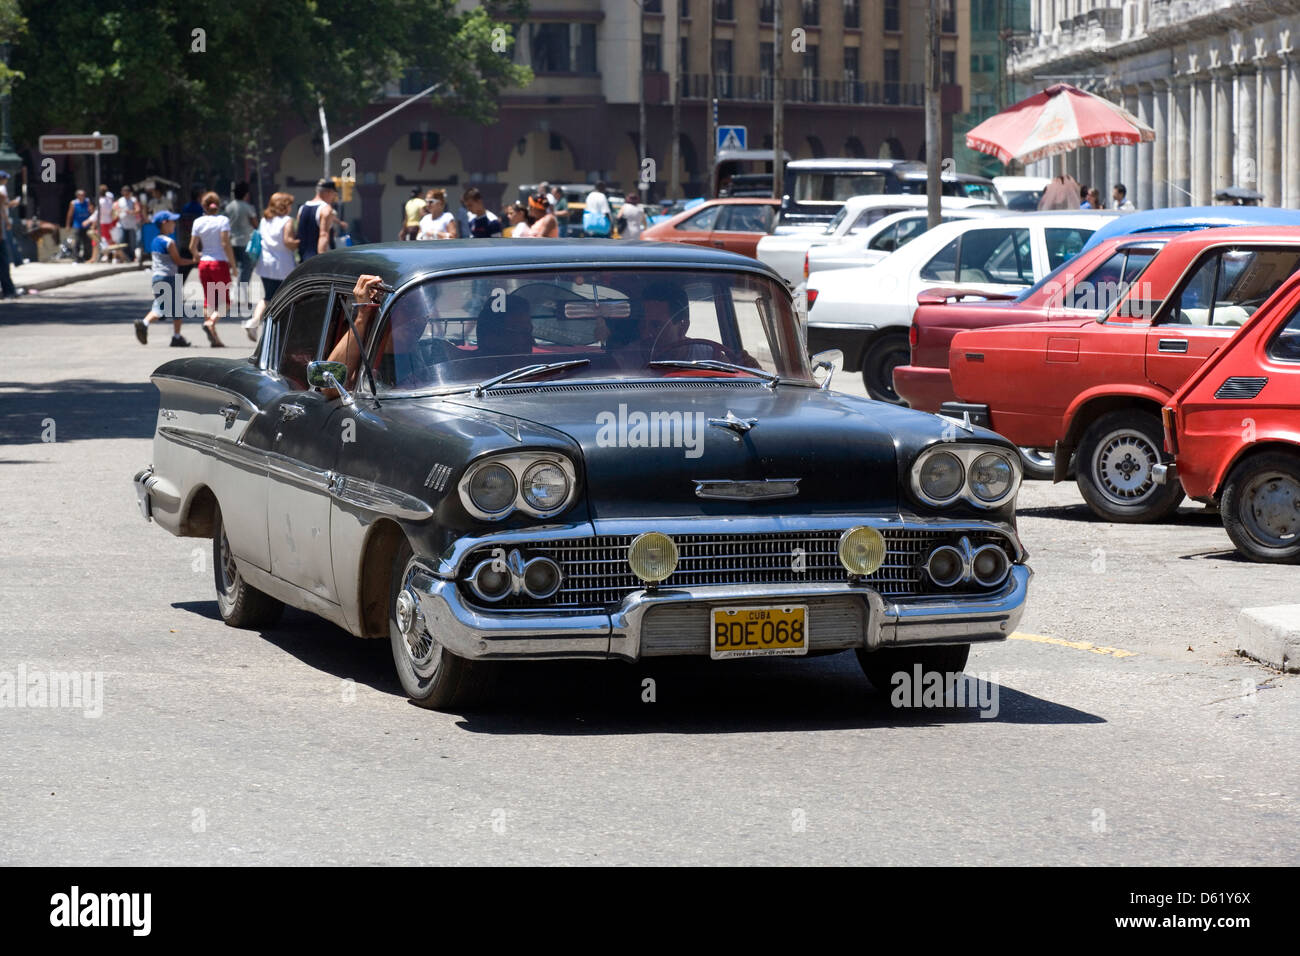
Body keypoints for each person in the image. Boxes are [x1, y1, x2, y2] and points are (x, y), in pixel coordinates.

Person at [244, 191, 301, 340]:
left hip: (265, 263)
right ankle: (276, 328)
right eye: (289, 204)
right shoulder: (287, 221)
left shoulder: (265, 220)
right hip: (282, 265)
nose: (291, 208)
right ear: (284, 206)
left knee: (268, 296)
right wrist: (299, 243)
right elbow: (288, 242)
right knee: (283, 297)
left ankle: (255, 320)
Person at [133, 211, 194, 347]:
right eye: (172, 221)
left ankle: (176, 337)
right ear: (164, 223)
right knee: (169, 308)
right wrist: (194, 261)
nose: (174, 224)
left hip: (157, 277)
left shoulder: (155, 240)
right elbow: (177, 261)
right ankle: (145, 323)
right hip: (169, 278)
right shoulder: (169, 242)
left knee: (168, 306)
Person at [189, 191, 235, 347]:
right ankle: (211, 323)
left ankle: (214, 338)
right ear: (218, 205)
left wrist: (197, 256)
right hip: (219, 264)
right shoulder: (223, 220)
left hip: (204, 264)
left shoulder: (198, 222)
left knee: (209, 301)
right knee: (226, 303)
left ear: (204, 206)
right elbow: (225, 244)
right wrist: (233, 265)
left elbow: (192, 247)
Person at [224, 182, 258, 291]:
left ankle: (229, 289)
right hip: (245, 242)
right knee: (246, 267)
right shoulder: (248, 207)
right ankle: (241, 290)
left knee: (234, 267)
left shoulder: (228, 207)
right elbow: (255, 224)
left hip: (231, 242)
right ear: (246, 194)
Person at [297, 179, 339, 260]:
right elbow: (323, 235)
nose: (334, 198)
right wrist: (320, 261)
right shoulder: (326, 209)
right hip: (317, 258)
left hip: (303, 258)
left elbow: (299, 233)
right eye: (334, 194)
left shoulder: (302, 208)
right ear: (328, 192)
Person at [114, 185, 143, 267]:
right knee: (122, 241)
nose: (126, 193)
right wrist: (119, 212)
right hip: (122, 224)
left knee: (132, 242)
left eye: (127, 192)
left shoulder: (133, 200)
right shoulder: (120, 201)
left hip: (131, 224)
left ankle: (131, 257)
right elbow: (116, 210)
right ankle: (123, 258)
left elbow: (137, 210)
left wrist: (130, 212)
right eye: (124, 192)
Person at [65, 189, 93, 262]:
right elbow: (70, 214)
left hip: (86, 225)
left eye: (84, 195)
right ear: (77, 196)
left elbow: (91, 212)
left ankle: (87, 257)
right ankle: (77, 258)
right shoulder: (74, 203)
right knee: (77, 242)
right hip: (77, 225)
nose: (83, 196)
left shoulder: (87, 201)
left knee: (87, 242)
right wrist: (68, 225)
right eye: (81, 195)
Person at [95, 183, 118, 261]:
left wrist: (90, 221)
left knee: (105, 240)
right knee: (110, 239)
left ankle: (108, 256)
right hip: (110, 221)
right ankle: (112, 256)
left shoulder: (101, 201)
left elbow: (97, 213)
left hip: (103, 222)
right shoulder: (109, 199)